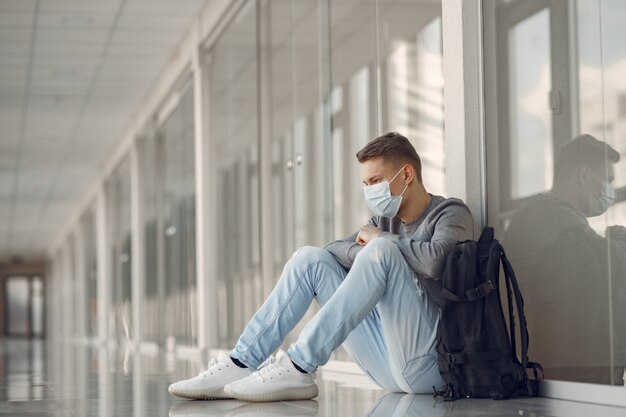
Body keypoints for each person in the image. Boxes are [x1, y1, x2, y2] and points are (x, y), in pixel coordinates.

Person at [168, 132, 476, 402]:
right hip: (387, 367)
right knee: (309, 258)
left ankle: (300, 364)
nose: (370, 191)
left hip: (432, 366)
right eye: (365, 184)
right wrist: (372, 252)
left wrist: (381, 243)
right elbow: (332, 250)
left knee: (381, 249)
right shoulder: (385, 221)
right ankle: (241, 362)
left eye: (376, 181)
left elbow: (435, 263)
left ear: (407, 175)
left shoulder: (450, 213)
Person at [503, 134, 626, 383]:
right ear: (584, 175)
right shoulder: (553, 218)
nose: (610, 190)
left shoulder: (541, 214)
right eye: (608, 180)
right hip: (560, 370)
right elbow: (609, 268)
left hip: (545, 362)